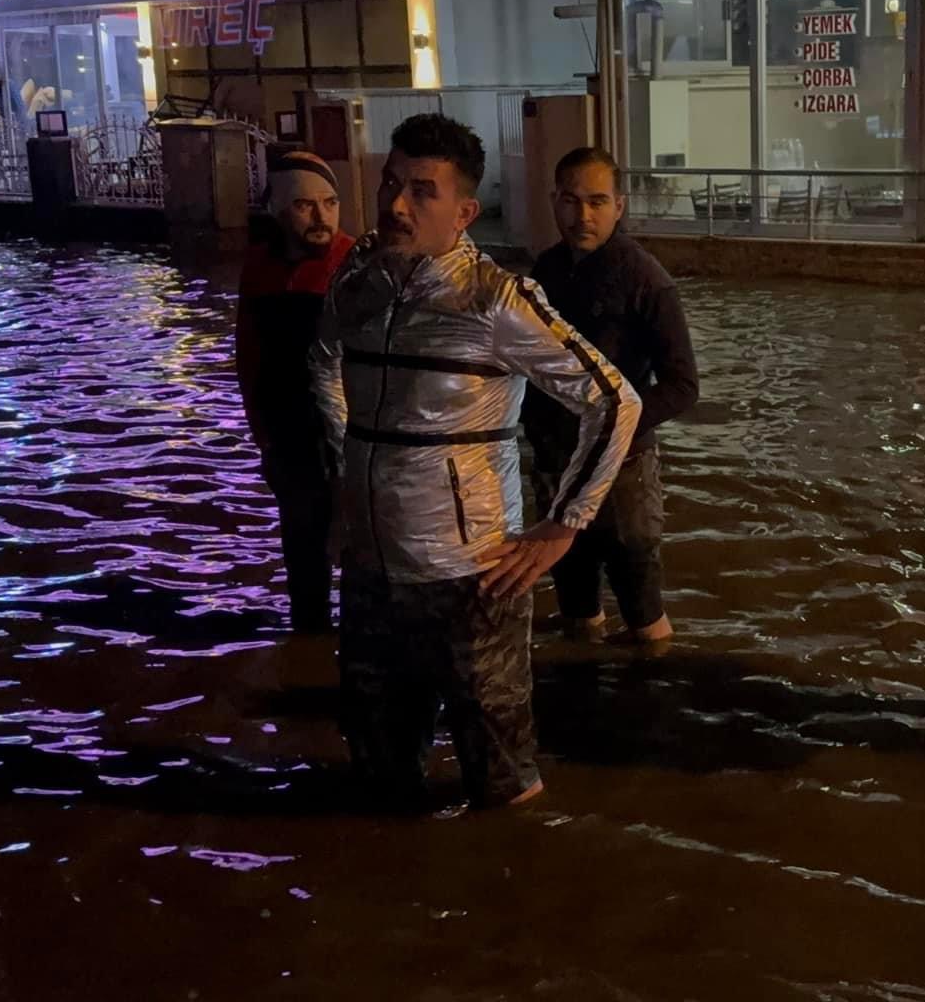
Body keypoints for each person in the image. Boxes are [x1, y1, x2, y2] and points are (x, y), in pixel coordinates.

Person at [310, 114, 640, 809]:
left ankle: (518, 894)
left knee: (500, 770)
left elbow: (614, 401)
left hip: (473, 574)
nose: (397, 205)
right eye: (391, 184)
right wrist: (348, 473)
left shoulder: (496, 301)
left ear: (464, 211)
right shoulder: (358, 283)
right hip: (371, 568)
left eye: (422, 191)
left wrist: (563, 524)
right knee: (375, 758)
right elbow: (322, 365)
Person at [524, 147, 698, 644]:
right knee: (576, 606)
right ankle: (585, 706)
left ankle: (655, 709)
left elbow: (684, 385)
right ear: (553, 201)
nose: (583, 216)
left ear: (619, 206)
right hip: (557, 465)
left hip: (622, 472)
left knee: (643, 612)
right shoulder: (547, 270)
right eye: (571, 201)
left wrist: (616, 426)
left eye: (597, 201)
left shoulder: (646, 279)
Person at [238, 150, 355, 637]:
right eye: (305, 206)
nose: (321, 216)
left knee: (360, 560)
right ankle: (309, 653)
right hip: (290, 440)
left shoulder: (354, 261)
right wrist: (263, 438)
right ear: (280, 210)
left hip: (351, 442)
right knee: (303, 562)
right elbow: (249, 357)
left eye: (329, 203)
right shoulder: (260, 268)